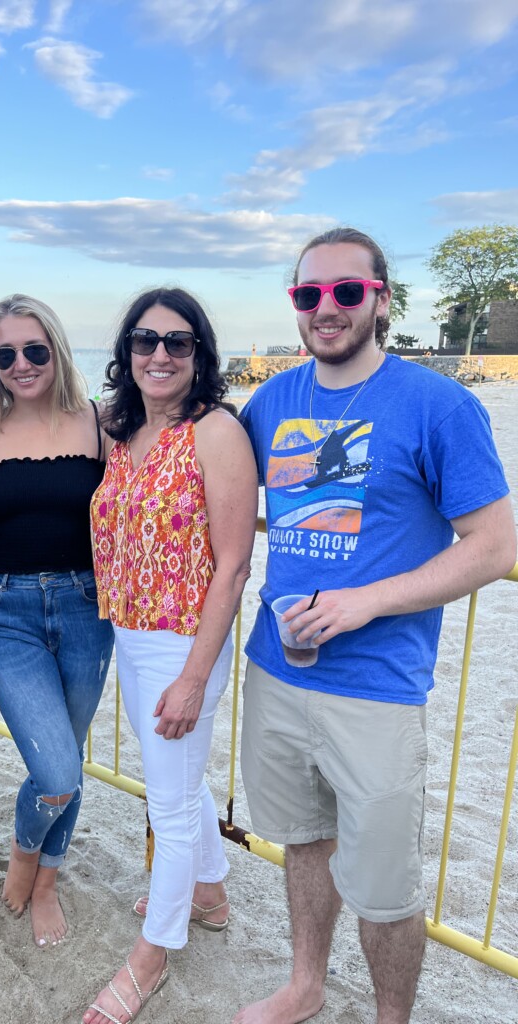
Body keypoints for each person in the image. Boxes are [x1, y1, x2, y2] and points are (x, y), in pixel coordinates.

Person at [235, 227, 516, 1024]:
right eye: (308, 294)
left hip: (381, 686)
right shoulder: (272, 402)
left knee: (386, 885)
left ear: (381, 299)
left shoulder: (439, 405)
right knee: (304, 840)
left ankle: (393, 1018)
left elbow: (495, 547)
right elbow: (208, 479)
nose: (326, 309)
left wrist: (367, 601)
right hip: (277, 667)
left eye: (346, 292)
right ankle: (306, 984)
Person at [85, 287, 258, 1024]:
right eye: (145, 341)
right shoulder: (121, 430)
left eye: (177, 343)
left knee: (172, 802)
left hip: (183, 641)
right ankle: (209, 895)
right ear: (127, 352)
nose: (159, 354)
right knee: (179, 788)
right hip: (129, 629)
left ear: (199, 355)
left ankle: (154, 953)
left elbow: (233, 564)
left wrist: (193, 677)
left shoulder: (214, 432)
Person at [0, 294, 114, 949]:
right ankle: (27, 852)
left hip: (88, 607)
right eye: (5, 355)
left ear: (57, 349)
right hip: (5, 611)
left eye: (34, 350)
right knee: (55, 771)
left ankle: (45, 876)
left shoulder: (100, 425)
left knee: (69, 764)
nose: (21, 364)